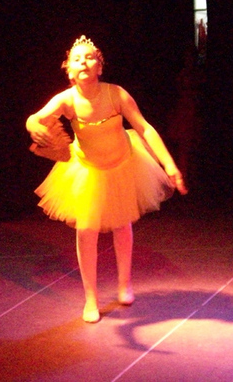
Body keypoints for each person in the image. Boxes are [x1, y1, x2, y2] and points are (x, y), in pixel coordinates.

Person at [26, 35, 187, 323]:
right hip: (88, 170)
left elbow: (145, 129)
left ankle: (125, 284)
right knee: (86, 230)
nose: (83, 62)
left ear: (100, 67)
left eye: (90, 57)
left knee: (121, 223)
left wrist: (169, 164)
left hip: (123, 163)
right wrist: (33, 125)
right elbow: (34, 118)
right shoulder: (66, 100)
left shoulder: (116, 94)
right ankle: (91, 298)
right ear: (68, 70)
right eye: (77, 59)